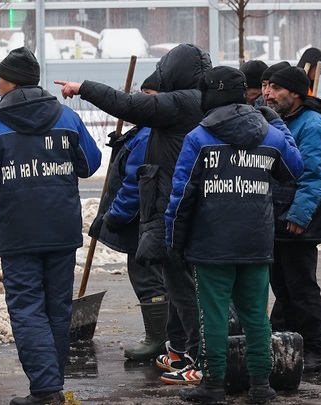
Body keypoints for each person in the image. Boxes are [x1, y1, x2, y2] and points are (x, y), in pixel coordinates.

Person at [56, 43, 212, 385]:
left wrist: (83, 88)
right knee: (181, 285)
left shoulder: (184, 101)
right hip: (177, 206)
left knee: (185, 290)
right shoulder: (196, 101)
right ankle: (183, 350)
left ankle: (200, 359)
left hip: (173, 208)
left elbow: (129, 105)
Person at [0, 47, 102, 405]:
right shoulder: (66, 118)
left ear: (12, 80)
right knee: (57, 308)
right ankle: (51, 384)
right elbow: (89, 162)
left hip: (17, 234)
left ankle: (45, 390)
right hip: (61, 230)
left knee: (27, 309)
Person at [167, 66, 303, 405]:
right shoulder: (269, 135)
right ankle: (261, 386)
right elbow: (294, 170)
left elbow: (182, 195)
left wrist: (173, 239)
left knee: (212, 314)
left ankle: (213, 385)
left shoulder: (199, 138)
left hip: (212, 244)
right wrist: (280, 125)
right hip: (256, 242)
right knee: (256, 314)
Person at [264, 66, 321, 374]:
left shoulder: (312, 125)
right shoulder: (282, 120)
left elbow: (314, 175)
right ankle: (283, 344)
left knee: (301, 288)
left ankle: (314, 349)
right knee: (282, 286)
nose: (268, 93)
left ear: (295, 93)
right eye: (266, 87)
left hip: (299, 222)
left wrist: (299, 214)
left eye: (275, 88)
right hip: (280, 218)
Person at [88, 72, 167, 361]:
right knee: (158, 277)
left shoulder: (148, 135)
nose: (140, 101)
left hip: (140, 221)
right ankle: (167, 336)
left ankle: (158, 339)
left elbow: (135, 183)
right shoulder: (148, 130)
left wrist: (115, 216)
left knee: (147, 278)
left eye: (149, 96)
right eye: (139, 94)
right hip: (150, 219)